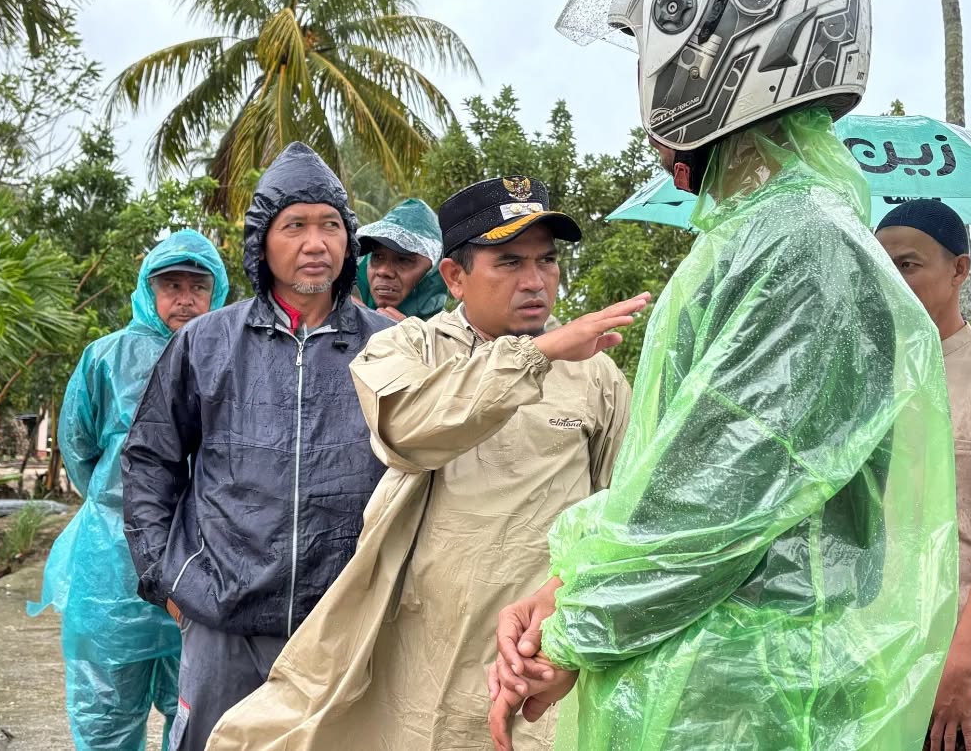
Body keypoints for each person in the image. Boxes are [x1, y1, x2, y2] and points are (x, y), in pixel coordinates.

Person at [488, 0, 959, 749]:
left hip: (759, 700)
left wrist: (575, 631)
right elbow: (679, 466)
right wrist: (569, 587)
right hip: (722, 686)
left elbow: (721, 498)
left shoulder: (804, 243)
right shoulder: (763, 232)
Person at [205, 176, 640, 751]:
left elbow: (623, 510)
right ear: (455, 277)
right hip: (422, 647)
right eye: (509, 262)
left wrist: (568, 617)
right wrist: (536, 356)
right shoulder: (405, 348)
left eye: (547, 261)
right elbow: (409, 429)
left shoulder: (597, 375)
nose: (536, 281)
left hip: (539, 649)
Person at [121, 143, 393, 751]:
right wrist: (166, 578)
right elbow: (149, 462)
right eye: (294, 225)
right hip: (223, 616)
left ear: (348, 240)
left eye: (330, 225)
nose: (315, 243)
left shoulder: (391, 346)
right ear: (261, 242)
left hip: (346, 622)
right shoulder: (207, 342)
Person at [29, 230, 229, 751]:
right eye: (171, 285)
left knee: (196, 713)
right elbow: (80, 448)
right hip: (113, 566)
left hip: (204, 563)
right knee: (107, 715)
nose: (185, 299)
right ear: (148, 290)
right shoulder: (106, 358)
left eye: (198, 286)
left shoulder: (233, 355)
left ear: (218, 290)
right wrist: (119, 503)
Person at [876, 199, 971, 751]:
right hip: (875, 677)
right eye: (881, 267)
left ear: (960, 269)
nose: (893, 280)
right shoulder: (868, 380)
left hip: (966, 696)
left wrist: (958, 668)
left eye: (908, 265)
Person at [354, 198, 448, 321]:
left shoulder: (449, 335)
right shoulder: (343, 321)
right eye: (378, 257)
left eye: (403, 260)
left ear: (433, 272)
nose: (383, 271)